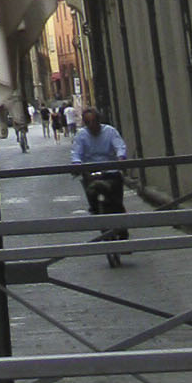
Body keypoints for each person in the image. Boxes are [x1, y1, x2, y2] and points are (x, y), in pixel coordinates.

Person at [71, 103, 130, 263]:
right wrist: (76, 164)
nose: (91, 126)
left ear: (99, 121)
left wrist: (121, 158)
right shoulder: (82, 135)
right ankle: (97, 213)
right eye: (88, 123)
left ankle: (123, 235)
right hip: (92, 174)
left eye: (94, 122)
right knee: (93, 200)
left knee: (117, 203)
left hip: (110, 172)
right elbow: (76, 153)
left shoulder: (109, 132)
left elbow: (120, 146)